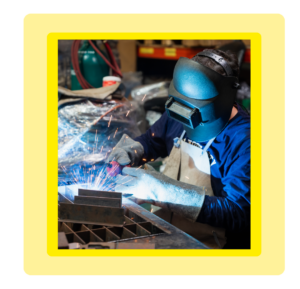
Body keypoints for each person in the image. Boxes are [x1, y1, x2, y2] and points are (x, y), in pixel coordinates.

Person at [107, 49, 250, 249]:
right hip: (167, 236)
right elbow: (154, 139)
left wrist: (169, 193)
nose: (185, 117)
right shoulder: (181, 109)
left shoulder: (245, 140)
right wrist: (135, 150)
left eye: (192, 109)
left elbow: (238, 213)